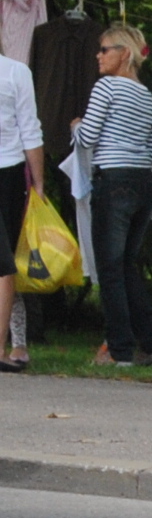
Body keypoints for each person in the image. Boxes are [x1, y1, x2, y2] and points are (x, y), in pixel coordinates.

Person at [70, 23, 152, 368]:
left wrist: (75, 126)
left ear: (124, 53)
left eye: (105, 49)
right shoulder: (145, 96)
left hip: (113, 182)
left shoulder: (107, 87)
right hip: (143, 183)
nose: (98, 56)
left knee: (110, 269)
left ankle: (119, 350)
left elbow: (87, 138)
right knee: (126, 266)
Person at [0, 42, 42, 372]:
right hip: (9, 172)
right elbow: (30, 130)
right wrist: (39, 183)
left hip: (9, 171)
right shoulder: (16, 72)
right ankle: (3, 347)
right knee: (5, 264)